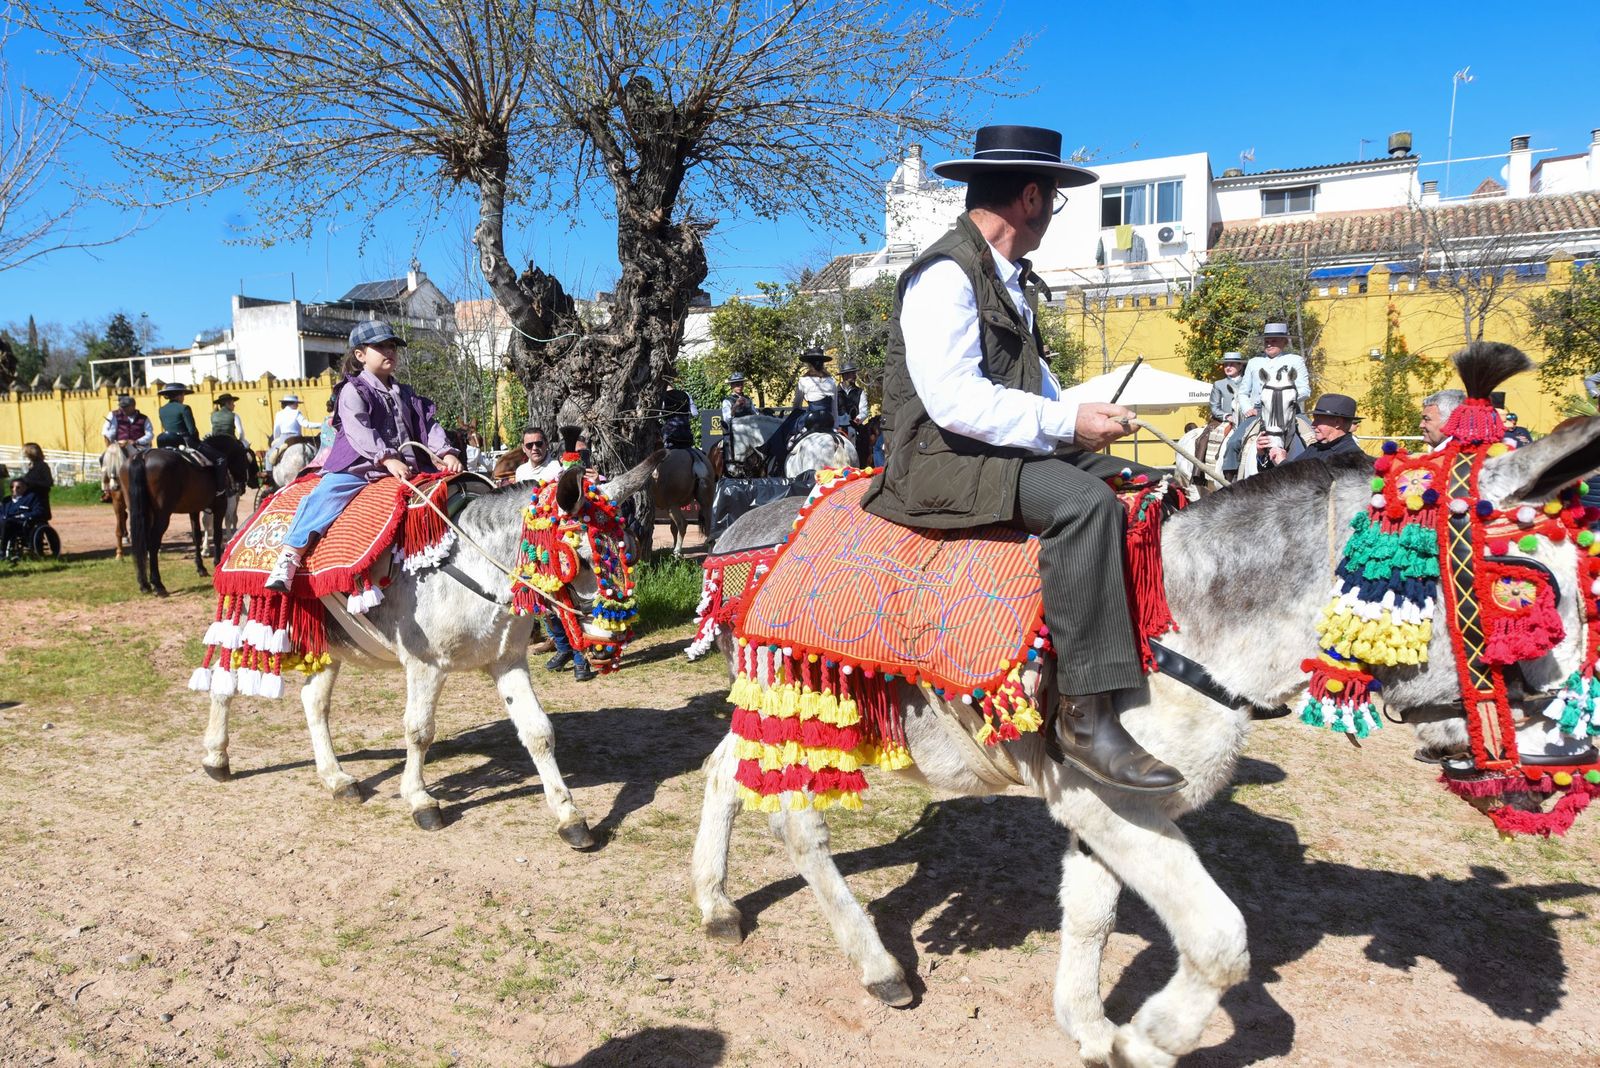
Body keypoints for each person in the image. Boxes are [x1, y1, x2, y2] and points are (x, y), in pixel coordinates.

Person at [861, 123, 1182, 794]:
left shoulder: (1006, 278)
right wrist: (1067, 422)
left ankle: (1153, 660)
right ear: (1032, 198)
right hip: (939, 461)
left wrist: (1085, 422)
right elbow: (952, 402)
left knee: (1145, 486)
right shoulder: (945, 274)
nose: (1051, 215)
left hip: (993, 452)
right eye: (1056, 198)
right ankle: (1084, 718)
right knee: (1085, 506)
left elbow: (1034, 393)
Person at [264, 320, 463, 591]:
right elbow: (360, 430)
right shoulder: (353, 390)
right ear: (360, 355)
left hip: (408, 467)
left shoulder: (405, 392)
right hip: (359, 467)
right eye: (380, 346)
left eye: (392, 346)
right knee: (326, 494)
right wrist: (386, 457)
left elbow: (428, 424)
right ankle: (289, 556)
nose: (389, 351)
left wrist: (446, 451)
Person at [1222, 323, 1311, 476]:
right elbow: (1243, 392)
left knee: (1315, 438)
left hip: (1290, 410)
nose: (1269, 344)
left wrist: (1287, 398)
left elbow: (1305, 389)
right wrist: (1247, 408)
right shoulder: (1254, 362)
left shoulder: (1295, 360)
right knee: (1234, 442)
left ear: (1284, 342)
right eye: (1267, 341)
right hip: (1259, 410)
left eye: (1274, 340)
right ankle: (1231, 478)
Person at [156, 383, 229, 498]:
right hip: (185, 441)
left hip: (166, 441)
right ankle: (220, 489)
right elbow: (192, 430)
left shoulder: (162, 410)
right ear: (179, 395)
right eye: (183, 394)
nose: (183, 396)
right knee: (221, 458)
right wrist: (198, 441)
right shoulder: (184, 408)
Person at [0, 443, 51, 563]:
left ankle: (41, 548)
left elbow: (48, 482)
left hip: (38, 498)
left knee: (38, 523)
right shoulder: (32, 466)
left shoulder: (42, 466)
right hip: (26, 497)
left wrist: (30, 484)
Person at [100, 393, 153, 499]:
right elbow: (112, 430)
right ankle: (107, 488)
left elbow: (150, 434)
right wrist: (111, 441)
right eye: (121, 407)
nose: (122, 409)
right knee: (102, 458)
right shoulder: (116, 416)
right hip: (120, 445)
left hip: (139, 447)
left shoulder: (144, 418)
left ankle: (148, 486)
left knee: (146, 464)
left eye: (125, 407)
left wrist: (136, 441)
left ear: (133, 406)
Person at [1286, 394, 1367, 463]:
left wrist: (1281, 462)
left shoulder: (1351, 458)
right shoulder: (1314, 448)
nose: (1313, 424)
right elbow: (1293, 472)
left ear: (1337, 423)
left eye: (1318, 420)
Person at [837, 361, 871, 458]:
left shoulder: (860, 392)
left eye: (854, 373)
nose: (855, 376)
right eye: (852, 373)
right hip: (837, 428)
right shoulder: (835, 392)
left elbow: (864, 411)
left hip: (854, 427)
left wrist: (858, 419)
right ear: (844, 376)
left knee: (864, 446)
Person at [661, 372, 698, 450]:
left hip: (670, 434)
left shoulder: (662, 397)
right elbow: (695, 413)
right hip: (686, 433)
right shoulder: (686, 394)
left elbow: (659, 414)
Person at [1208, 352, 1246, 424]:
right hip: (1226, 422)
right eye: (1226, 365)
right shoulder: (1218, 384)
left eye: (1231, 364)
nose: (1228, 367)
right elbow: (1214, 407)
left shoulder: (1248, 382)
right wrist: (1227, 416)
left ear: (1240, 366)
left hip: (1247, 421)